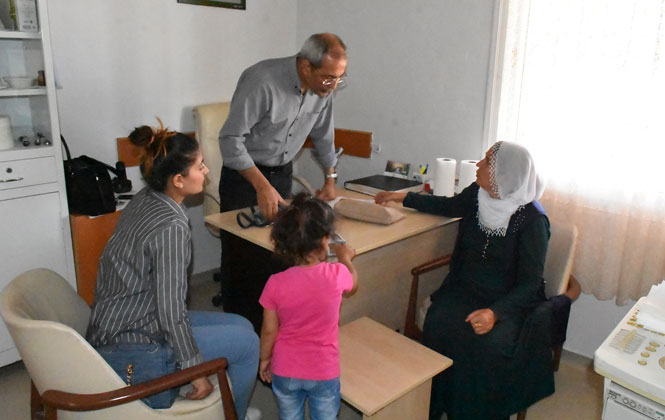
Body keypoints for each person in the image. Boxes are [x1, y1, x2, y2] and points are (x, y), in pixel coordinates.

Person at [86, 122, 261, 420]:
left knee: (242, 325)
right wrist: (195, 371)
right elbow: (170, 311)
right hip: (134, 333)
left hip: (119, 316)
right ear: (178, 180)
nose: (206, 171)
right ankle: (236, 415)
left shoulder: (146, 198)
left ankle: (228, 404)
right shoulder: (171, 226)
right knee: (248, 344)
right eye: (201, 166)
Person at [375, 141, 553, 420]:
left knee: (487, 346)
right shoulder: (477, 195)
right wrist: (403, 198)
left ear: (502, 175)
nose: (478, 166)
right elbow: (447, 205)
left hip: (507, 304)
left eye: (486, 163)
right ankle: (434, 406)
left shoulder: (532, 221)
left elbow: (530, 284)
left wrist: (495, 313)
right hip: (464, 290)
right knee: (438, 322)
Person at [215, 33, 348, 326]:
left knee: (278, 250)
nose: (333, 85)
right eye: (328, 77)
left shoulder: (322, 90)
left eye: (339, 78)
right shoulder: (262, 80)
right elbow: (230, 140)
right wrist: (261, 185)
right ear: (305, 66)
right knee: (241, 255)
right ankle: (240, 326)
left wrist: (330, 179)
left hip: (282, 172)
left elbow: (324, 136)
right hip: (245, 175)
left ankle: (270, 323)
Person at [258, 193, 358, 420]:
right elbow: (353, 283)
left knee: (289, 415)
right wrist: (346, 257)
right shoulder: (337, 274)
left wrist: (264, 358)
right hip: (323, 370)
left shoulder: (275, 283)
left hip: (285, 368)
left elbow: (269, 330)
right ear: (325, 239)